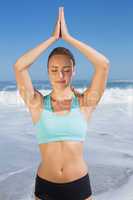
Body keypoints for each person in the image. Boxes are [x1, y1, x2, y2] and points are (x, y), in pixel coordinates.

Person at [13, 6, 110, 200]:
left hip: (79, 185)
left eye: (66, 69)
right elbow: (19, 66)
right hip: (46, 186)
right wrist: (52, 38)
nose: (60, 75)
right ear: (48, 71)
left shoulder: (85, 102)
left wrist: (68, 38)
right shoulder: (37, 103)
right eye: (54, 69)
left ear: (74, 71)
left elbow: (103, 64)